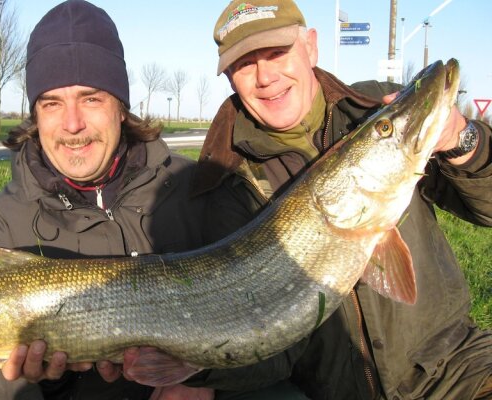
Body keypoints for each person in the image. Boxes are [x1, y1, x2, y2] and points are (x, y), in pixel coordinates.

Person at [172, 0, 492, 398]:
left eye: (277, 53)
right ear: (230, 78)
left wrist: (462, 140)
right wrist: (203, 379)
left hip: (457, 369)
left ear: (310, 47)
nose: (265, 76)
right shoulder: (227, 182)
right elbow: (266, 343)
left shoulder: (373, 107)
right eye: (245, 64)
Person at [0, 1, 216, 399]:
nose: (72, 124)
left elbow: (266, 320)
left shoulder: (195, 187)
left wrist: (202, 385)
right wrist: (31, 378)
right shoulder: (1, 222)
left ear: (120, 107)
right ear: (35, 115)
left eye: (91, 98)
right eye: (52, 103)